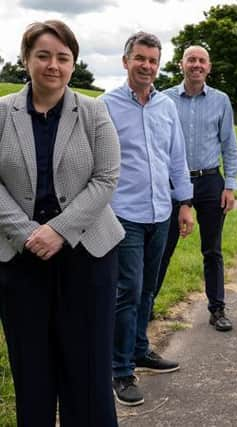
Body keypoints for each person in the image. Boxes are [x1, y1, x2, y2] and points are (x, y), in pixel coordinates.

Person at [0, 20, 124, 426]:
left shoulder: (93, 111)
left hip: (87, 256)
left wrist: (59, 230)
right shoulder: (2, 113)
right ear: (26, 60)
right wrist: (27, 233)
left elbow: (106, 177)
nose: (52, 65)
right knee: (31, 369)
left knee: (87, 371)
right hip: (21, 259)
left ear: (73, 64)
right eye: (43, 55)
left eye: (62, 57)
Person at [101, 31, 194, 407]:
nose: (147, 66)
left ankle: (140, 348)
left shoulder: (166, 106)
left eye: (153, 60)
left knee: (149, 287)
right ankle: (120, 369)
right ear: (126, 61)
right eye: (140, 58)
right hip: (125, 215)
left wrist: (184, 202)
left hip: (162, 212)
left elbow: (176, 157)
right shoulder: (105, 106)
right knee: (128, 290)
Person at [158, 45, 237, 332]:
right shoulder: (164, 99)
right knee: (161, 248)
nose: (196, 64)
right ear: (181, 64)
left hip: (209, 182)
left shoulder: (221, 101)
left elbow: (229, 145)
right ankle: (145, 309)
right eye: (191, 59)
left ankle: (217, 309)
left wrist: (230, 185)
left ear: (209, 66)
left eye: (201, 60)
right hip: (171, 183)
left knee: (212, 250)